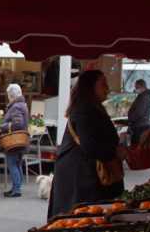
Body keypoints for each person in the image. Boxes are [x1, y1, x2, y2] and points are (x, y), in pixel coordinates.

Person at [49, 70, 125, 217]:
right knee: (80, 219)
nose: (107, 88)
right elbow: (91, 146)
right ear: (90, 87)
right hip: (82, 178)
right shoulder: (85, 110)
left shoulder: (89, 107)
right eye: (103, 84)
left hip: (83, 175)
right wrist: (115, 151)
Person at [0, 83, 29, 198]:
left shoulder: (16, 107)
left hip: (14, 141)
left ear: (11, 95)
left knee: (12, 164)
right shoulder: (22, 105)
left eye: (8, 95)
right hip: (21, 140)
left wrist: (3, 127)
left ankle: (16, 189)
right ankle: (16, 187)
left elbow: (18, 123)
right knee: (17, 164)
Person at [127, 79, 150, 145]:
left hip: (140, 127)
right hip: (140, 126)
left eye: (137, 87)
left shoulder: (144, 97)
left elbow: (139, 112)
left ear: (142, 87)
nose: (135, 89)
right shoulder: (142, 96)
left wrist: (131, 118)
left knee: (137, 146)